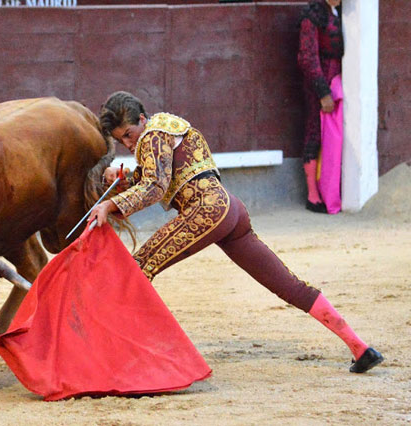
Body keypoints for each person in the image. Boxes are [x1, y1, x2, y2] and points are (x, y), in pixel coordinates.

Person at [89, 90, 383, 373]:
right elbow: (156, 176)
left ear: (142, 119)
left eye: (128, 133)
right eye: (121, 140)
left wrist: (111, 205)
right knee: (287, 284)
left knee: (137, 268)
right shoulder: (167, 127)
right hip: (230, 210)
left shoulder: (152, 135)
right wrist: (124, 179)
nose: (128, 143)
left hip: (206, 211)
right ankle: (359, 347)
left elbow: (155, 186)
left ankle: (128, 353)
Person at [297, 0, 343, 213]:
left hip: (338, 83)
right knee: (314, 131)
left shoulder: (340, 12)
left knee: (333, 137)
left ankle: (329, 191)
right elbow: (308, 57)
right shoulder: (313, 14)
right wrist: (323, 91)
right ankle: (312, 196)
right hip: (319, 84)